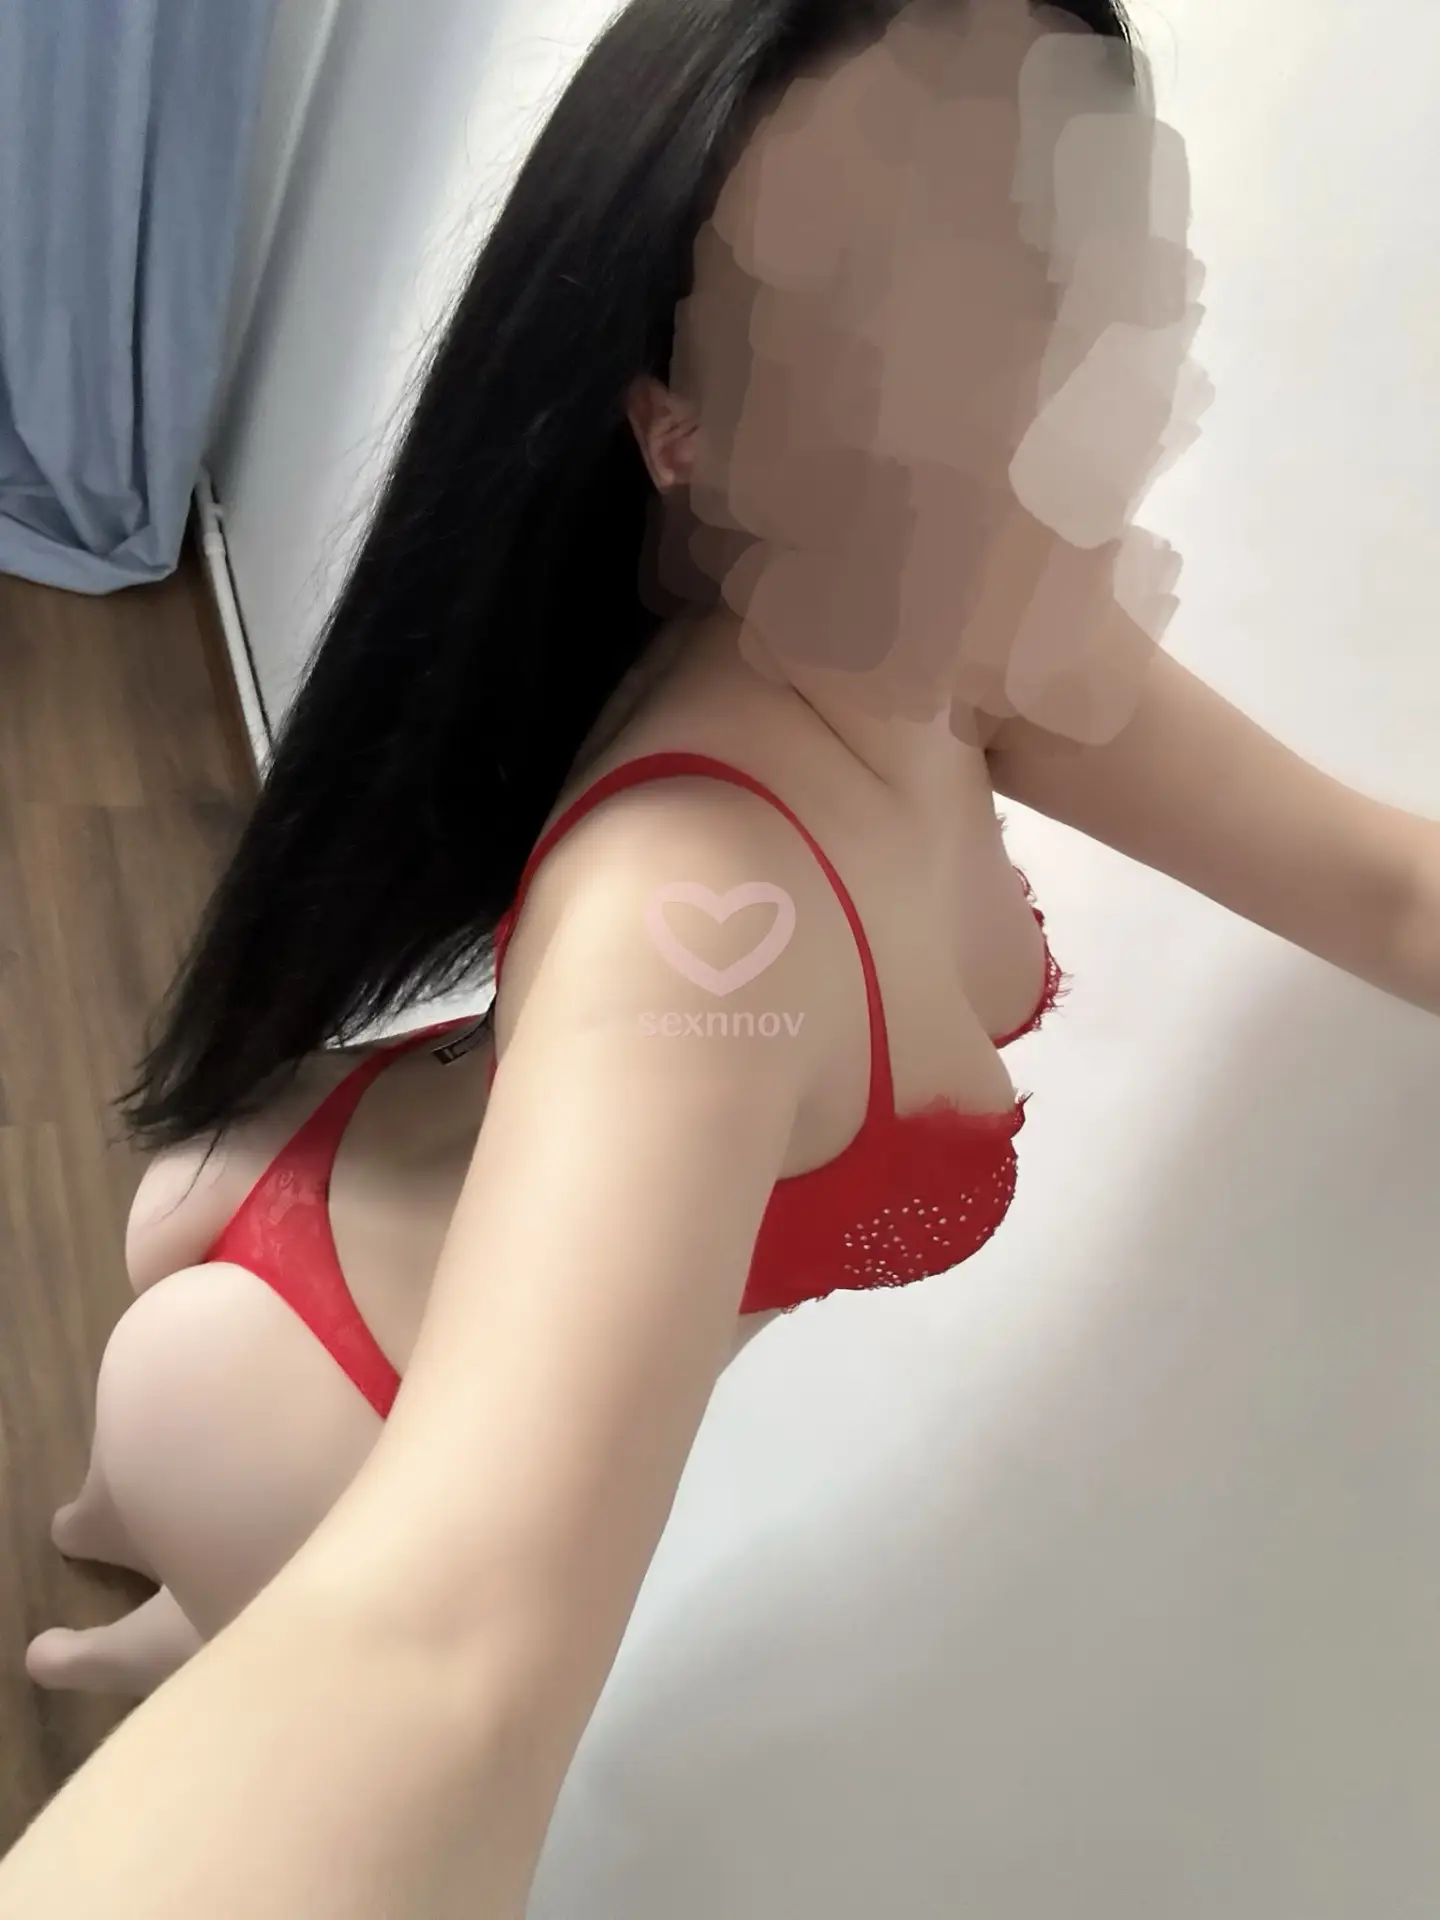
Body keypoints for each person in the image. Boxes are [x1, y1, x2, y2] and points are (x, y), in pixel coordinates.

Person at [3, 0, 1438, 1913]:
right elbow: (439, 1657)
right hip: (308, 1402)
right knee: (239, 1597)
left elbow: (1395, 891)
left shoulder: (968, 629)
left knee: (168, 1587)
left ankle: (128, 1572)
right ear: (678, 425)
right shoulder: (697, 915)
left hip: (331, 1171)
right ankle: (150, 1556)